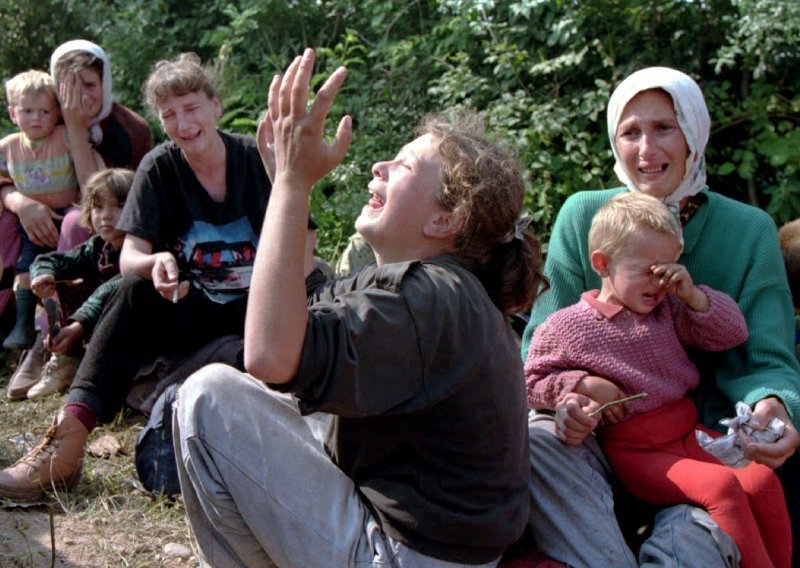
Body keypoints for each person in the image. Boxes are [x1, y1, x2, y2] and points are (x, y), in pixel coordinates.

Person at [174, 48, 546, 567]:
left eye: (404, 164)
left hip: (407, 557)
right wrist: (286, 189)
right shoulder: (442, 293)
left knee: (208, 398)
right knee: (285, 406)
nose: (380, 165)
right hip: (435, 553)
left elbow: (270, 355)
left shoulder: (428, 297)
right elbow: (296, 311)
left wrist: (292, 184)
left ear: (446, 220)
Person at [520, 66, 800, 567]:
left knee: (705, 530)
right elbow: (540, 344)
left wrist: (773, 408)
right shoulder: (585, 215)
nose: (646, 149)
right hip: (597, 437)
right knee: (540, 440)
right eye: (631, 131)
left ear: (694, 133)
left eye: (664, 127)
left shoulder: (749, 230)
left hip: (703, 438)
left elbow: (767, 358)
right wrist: (579, 390)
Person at [0, 52, 270, 504]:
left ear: (216, 105)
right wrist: (154, 263)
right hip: (192, 301)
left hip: (260, 309)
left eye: (191, 107)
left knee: (319, 292)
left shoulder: (254, 158)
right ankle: (65, 446)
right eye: (169, 114)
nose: (182, 123)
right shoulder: (160, 167)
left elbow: (301, 252)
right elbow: (130, 257)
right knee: (132, 289)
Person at [0, 40, 152, 345]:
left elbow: (96, 194)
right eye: (69, 85)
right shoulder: (43, 115)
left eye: (89, 84)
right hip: (37, 215)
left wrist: (76, 128)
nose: (79, 95)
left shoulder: (128, 128)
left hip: (98, 226)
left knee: (74, 222)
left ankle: (57, 329)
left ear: (105, 82)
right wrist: (21, 203)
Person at [13, 168, 134, 400]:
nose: (106, 216)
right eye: (98, 207)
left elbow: (114, 289)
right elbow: (55, 260)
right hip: (95, 323)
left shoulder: (141, 248)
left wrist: (79, 324)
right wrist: (43, 275)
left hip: (130, 330)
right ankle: (68, 359)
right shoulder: (99, 246)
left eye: (118, 206)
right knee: (66, 281)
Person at [0, 69, 100, 350]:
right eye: (27, 111)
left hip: (65, 211)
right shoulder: (8, 147)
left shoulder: (65, 137)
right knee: (26, 267)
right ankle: (22, 323)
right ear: (12, 114)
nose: (36, 118)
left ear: (57, 112)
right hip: (29, 219)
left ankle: (63, 320)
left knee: (62, 268)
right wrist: (19, 204)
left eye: (44, 111)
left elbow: (90, 148)